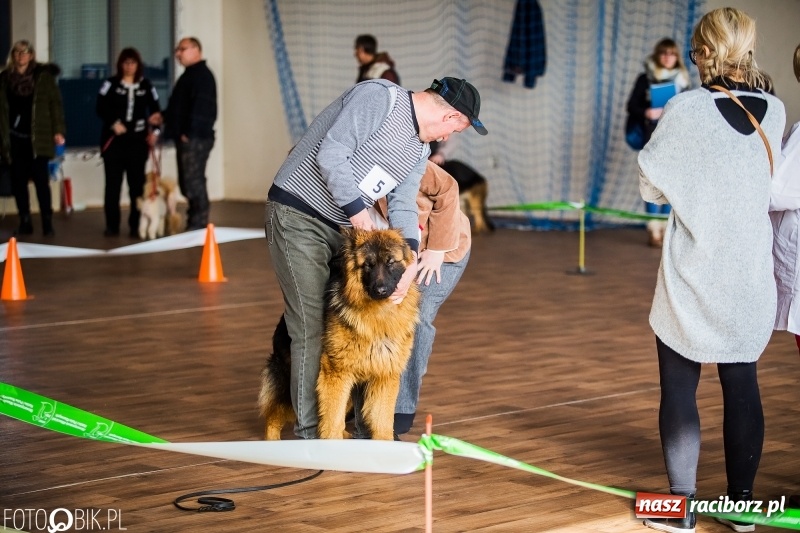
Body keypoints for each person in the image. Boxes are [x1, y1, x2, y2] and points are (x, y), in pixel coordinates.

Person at [266, 76, 487, 439]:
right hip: (299, 214)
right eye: (456, 129)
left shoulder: (418, 149)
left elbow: (401, 204)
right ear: (449, 117)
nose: (447, 139)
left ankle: (360, 423)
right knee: (310, 325)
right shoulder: (380, 99)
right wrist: (358, 214)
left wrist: (411, 255)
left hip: (345, 230)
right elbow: (331, 153)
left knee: (346, 328)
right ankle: (313, 436)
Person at [638, 8, 785, 533]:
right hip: (749, 274)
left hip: (693, 272)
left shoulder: (684, 109)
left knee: (679, 387)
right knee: (742, 382)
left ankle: (680, 511)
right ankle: (743, 508)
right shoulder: (775, 110)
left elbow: (650, 186)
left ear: (701, 51)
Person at [372, 161, 471, 439]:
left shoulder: (406, 159)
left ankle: (400, 408)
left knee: (417, 316)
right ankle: (367, 404)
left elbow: (449, 189)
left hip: (439, 253)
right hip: (392, 257)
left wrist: (437, 249)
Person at [626, 38, 691, 248]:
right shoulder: (645, 79)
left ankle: (665, 230)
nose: (667, 57)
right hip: (651, 137)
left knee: (668, 186)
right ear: (657, 55)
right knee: (652, 184)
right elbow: (631, 106)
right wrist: (647, 111)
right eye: (663, 53)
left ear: (677, 57)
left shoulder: (684, 81)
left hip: (675, 141)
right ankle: (653, 230)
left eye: (671, 53)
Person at [0, 40, 65, 236]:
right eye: (17, 52)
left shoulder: (44, 77)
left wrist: (58, 130)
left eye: (25, 52)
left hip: (39, 138)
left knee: (40, 180)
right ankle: (25, 220)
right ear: (13, 56)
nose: (21, 56)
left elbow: (56, 105)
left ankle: (47, 221)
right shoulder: (4, 79)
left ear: (31, 55)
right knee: (18, 181)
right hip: (14, 139)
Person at [96, 47, 161, 238]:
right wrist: (113, 123)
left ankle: (135, 225)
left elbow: (156, 111)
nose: (129, 66)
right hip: (114, 142)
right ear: (120, 64)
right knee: (113, 185)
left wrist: (155, 132)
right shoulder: (110, 83)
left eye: (133, 62)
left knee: (137, 185)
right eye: (126, 62)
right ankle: (112, 225)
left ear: (138, 65)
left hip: (137, 142)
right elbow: (100, 107)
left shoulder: (146, 85)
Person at [154, 37, 217, 231]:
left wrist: (188, 133)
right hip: (189, 137)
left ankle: (199, 222)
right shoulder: (188, 76)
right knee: (187, 182)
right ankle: (195, 220)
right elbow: (181, 106)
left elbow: (203, 108)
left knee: (193, 181)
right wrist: (163, 117)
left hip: (196, 139)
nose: (178, 54)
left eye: (183, 49)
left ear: (196, 50)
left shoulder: (202, 76)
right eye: (177, 50)